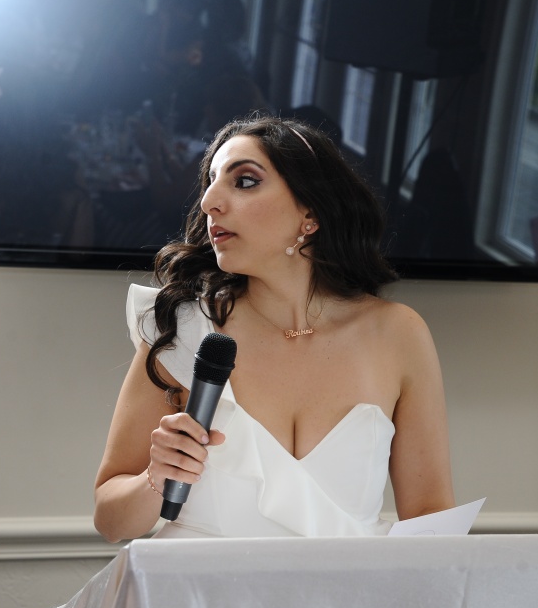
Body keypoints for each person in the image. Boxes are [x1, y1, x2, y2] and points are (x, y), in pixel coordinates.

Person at [93, 113, 455, 542]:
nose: (209, 201)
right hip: (196, 584)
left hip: (346, 586)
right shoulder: (182, 329)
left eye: (244, 181)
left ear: (311, 213)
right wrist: (156, 476)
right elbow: (110, 521)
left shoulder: (398, 334)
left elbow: (430, 517)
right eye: (210, 182)